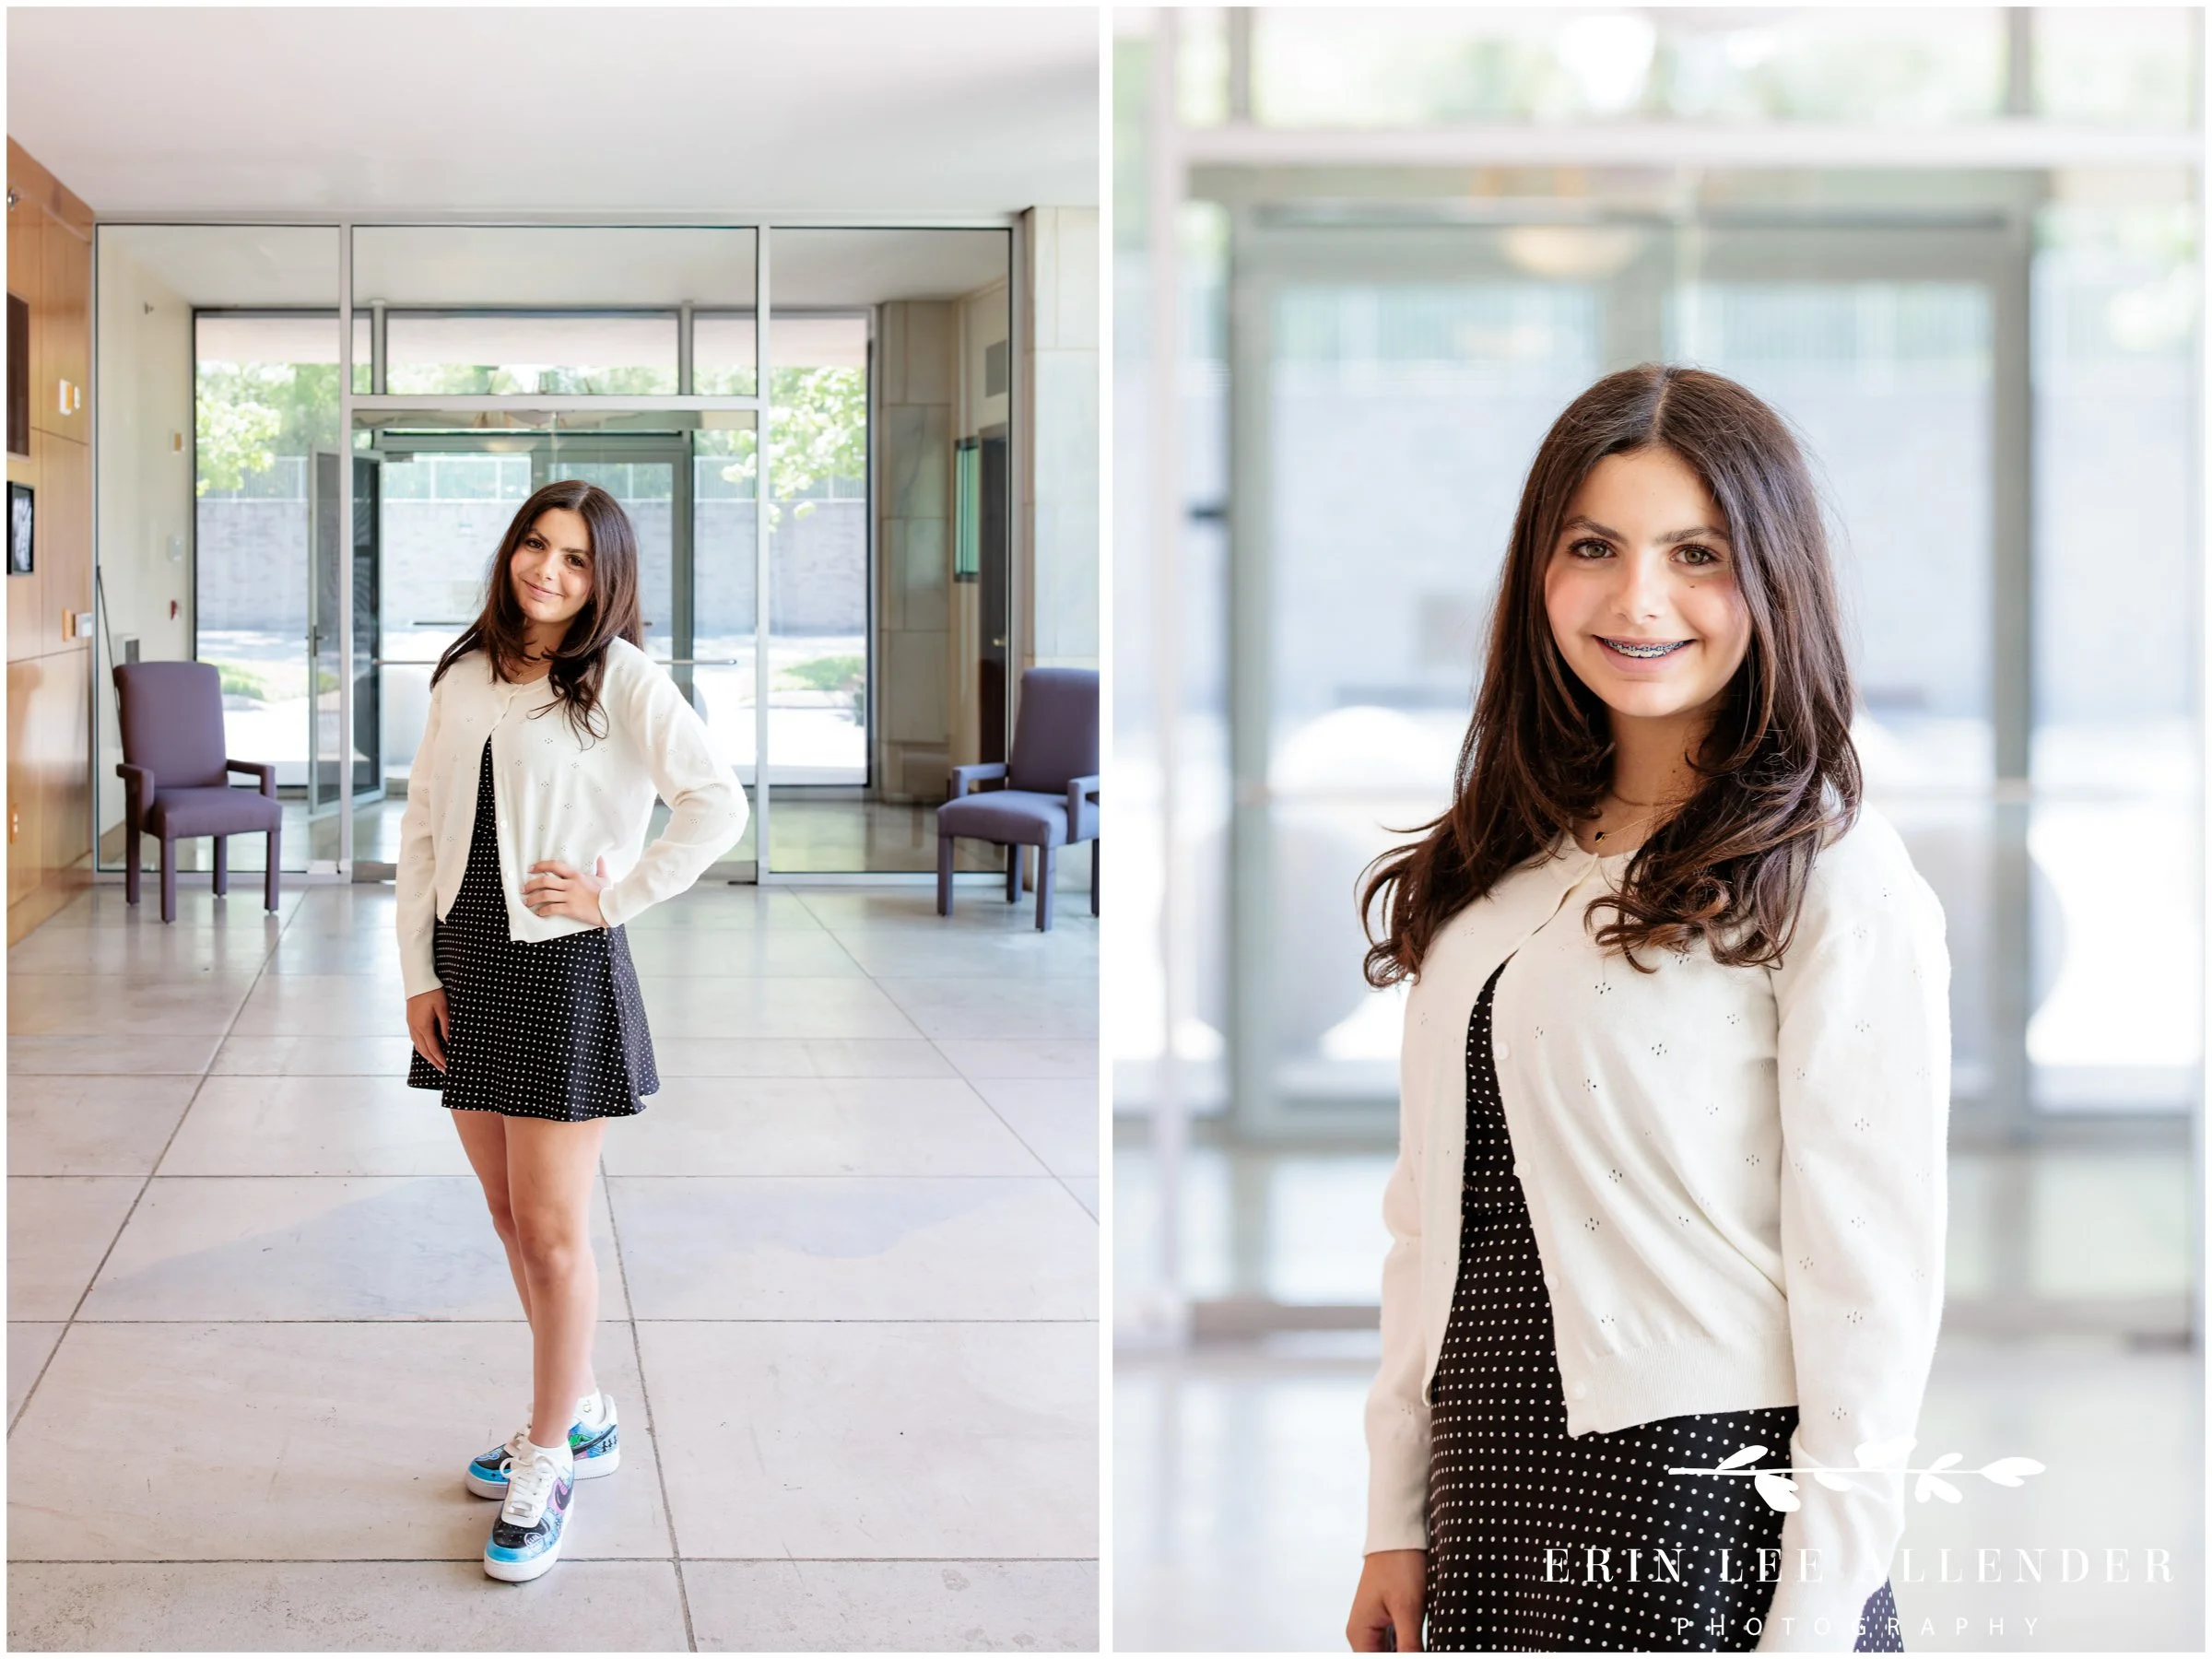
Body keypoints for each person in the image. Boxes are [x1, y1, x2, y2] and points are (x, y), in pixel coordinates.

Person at [1344, 365, 1949, 1653]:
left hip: (1703, 1496)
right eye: (1595, 548)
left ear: (1773, 580)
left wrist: (1825, 1605)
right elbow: (1428, 1210)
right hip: (1490, 1475)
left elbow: (1868, 1276)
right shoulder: (1505, 863)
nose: (1639, 600)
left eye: (1697, 554)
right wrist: (1396, 1509)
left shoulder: (1832, 871)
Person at [395, 479, 747, 1583]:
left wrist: (616, 896)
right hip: (468, 963)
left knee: (551, 1233)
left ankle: (552, 1450)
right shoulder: (460, 675)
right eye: (536, 547)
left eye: (577, 560)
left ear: (606, 580)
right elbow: (419, 828)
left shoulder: (619, 679)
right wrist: (418, 972)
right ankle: (581, 1409)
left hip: (560, 970)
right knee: (507, 1215)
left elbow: (716, 803)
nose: (548, 571)